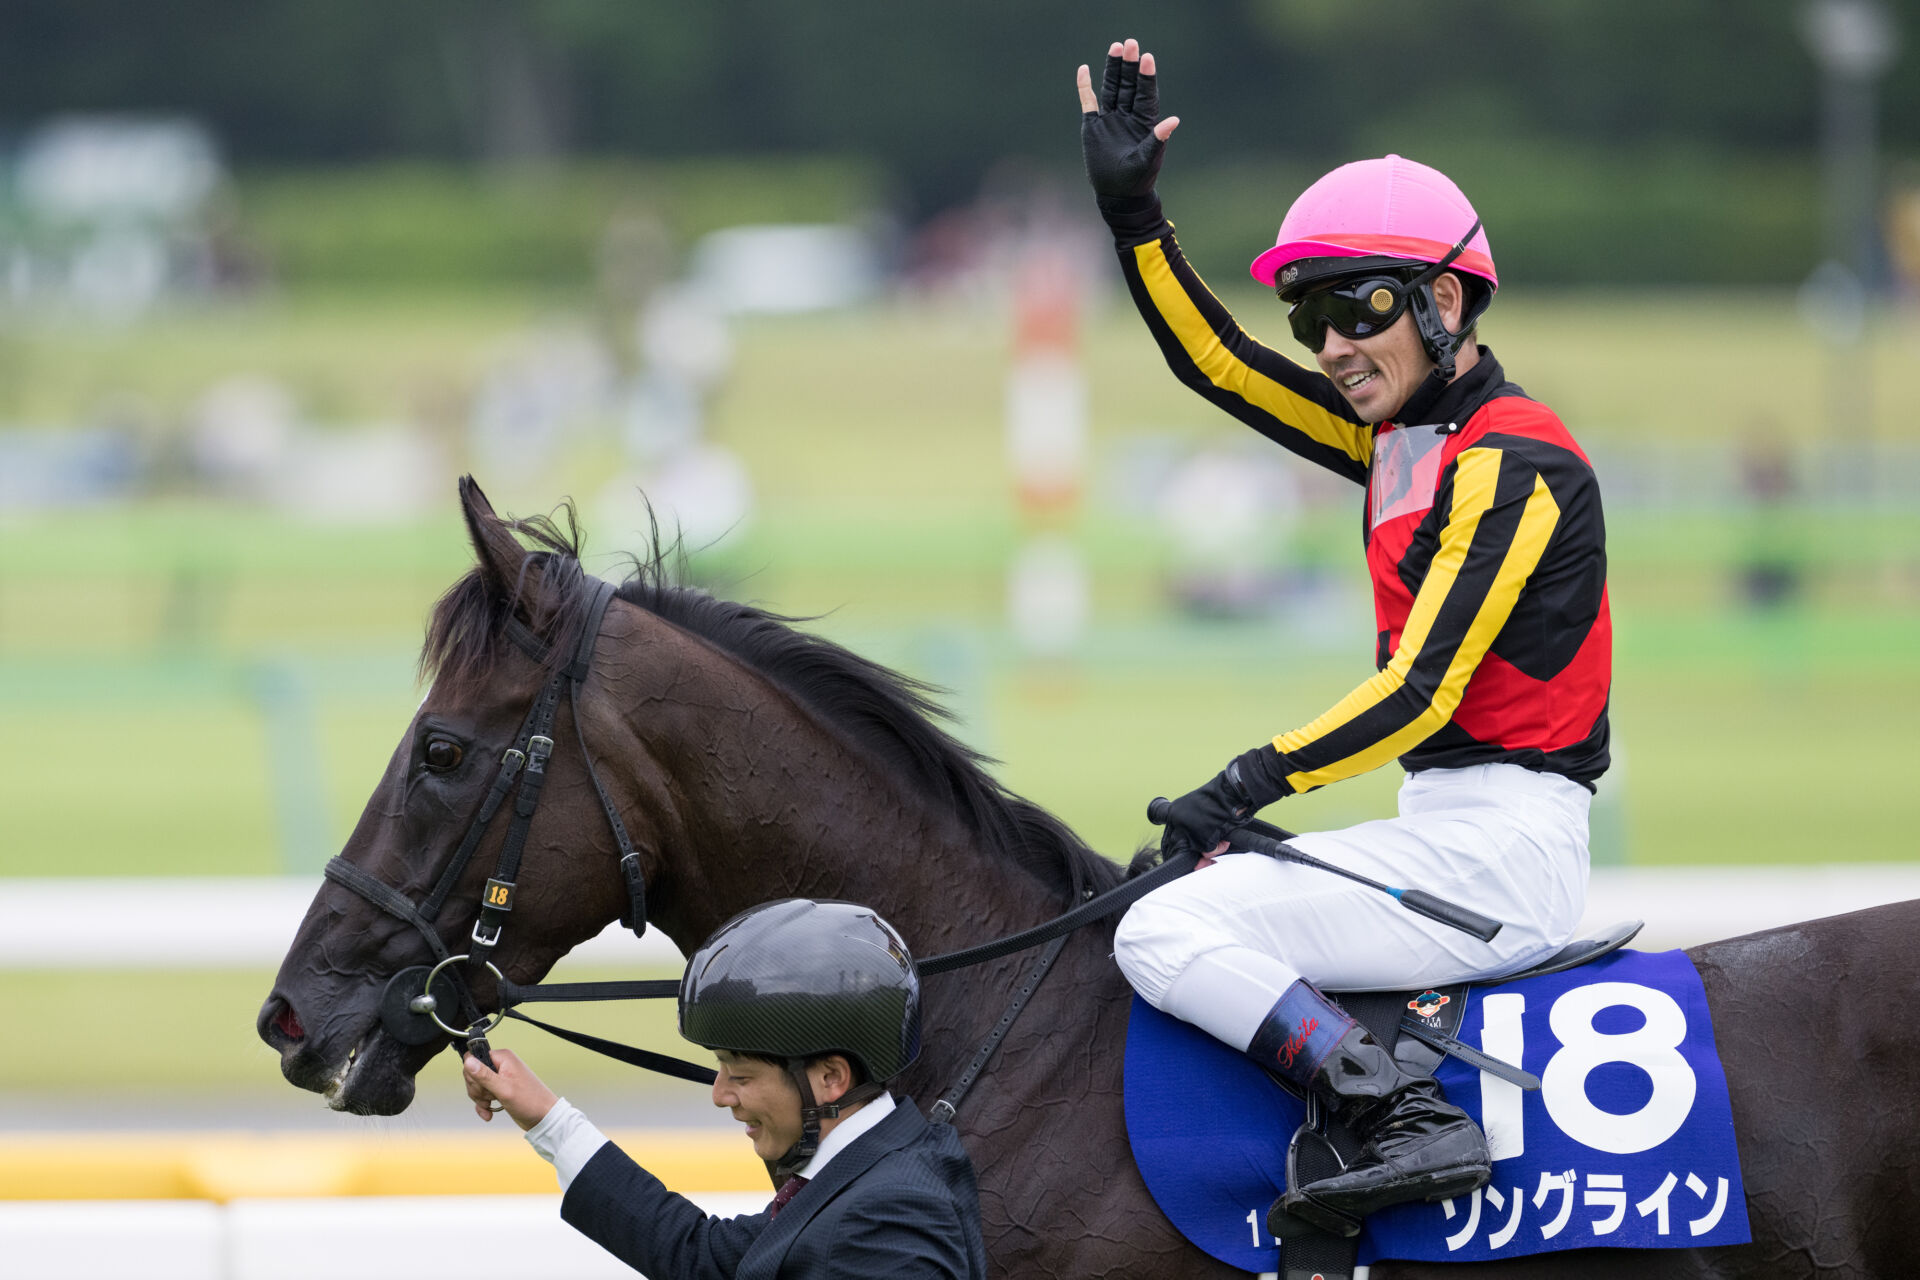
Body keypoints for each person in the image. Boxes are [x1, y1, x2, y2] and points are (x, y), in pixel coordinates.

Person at [1076, 40, 1610, 1236]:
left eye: (1359, 306)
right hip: (1448, 834)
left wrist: (1243, 780)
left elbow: (1422, 691)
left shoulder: (1516, 461)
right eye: (1313, 313)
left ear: (1447, 303)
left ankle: (1405, 1114)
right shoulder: (1398, 441)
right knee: (1187, 891)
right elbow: (1217, 361)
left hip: (1505, 854)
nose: (1330, 344)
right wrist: (1135, 219)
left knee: (1163, 926)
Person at [463, 898, 987, 1280]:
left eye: (740, 1075)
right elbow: (700, 1254)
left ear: (830, 1078)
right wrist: (547, 1119)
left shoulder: (886, 1223)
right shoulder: (870, 1174)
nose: (719, 1094)